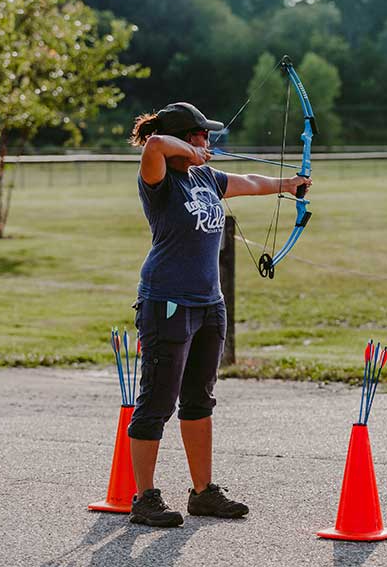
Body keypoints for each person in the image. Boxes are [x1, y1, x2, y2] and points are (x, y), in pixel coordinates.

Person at [126, 102, 311, 527]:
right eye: (201, 135)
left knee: (199, 401)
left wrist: (289, 184)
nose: (208, 141)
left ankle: (203, 492)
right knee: (156, 402)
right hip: (167, 302)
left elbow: (247, 180)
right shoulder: (160, 180)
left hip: (209, 303)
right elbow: (153, 144)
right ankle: (145, 497)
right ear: (186, 138)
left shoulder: (205, 176)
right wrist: (186, 153)